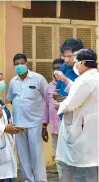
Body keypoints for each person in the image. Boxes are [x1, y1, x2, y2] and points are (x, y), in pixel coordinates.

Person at [54, 48, 98, 182]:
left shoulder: (85, 80)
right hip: (89, 129)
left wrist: (60, 106)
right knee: (89, 168)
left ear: (83, 62)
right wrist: (66, 81)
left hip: (83, 130)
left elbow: (71, 103)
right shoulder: (92, 77)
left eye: (77, 61)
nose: (75, 64)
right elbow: (79, 92)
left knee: (83, 168)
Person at [6, 53, 48, 182]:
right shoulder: (13, 82)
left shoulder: (38, 78)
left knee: (37, 155)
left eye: (21, 63)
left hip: (36, 122)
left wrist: (44, 124)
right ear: (13, 65)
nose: (19, 66)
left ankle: (40, 180)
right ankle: (28, 180)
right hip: (19, 124)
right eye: (16, 64)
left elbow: (47, 98)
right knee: (23, 155)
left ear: (26, 64)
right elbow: (11, 99)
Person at [42, 58, 64, 180]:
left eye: (59, 68)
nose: (56, 70)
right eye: (54, 68)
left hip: (67, 127)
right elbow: (46, 107)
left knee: (67, 155)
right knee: (58, 156)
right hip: (54, 128)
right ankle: (61, 177)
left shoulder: (69, 84)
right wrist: (44, 126)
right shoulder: (49, 87)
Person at [54, 38, 84, 117]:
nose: (66, 60)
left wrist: (67, 100)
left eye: (70, 56)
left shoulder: (86, 70)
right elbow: (58, 88)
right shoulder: (64, 67)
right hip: (64, 117)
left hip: (79, 118)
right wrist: (56, 94)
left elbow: (85, 96)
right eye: (64, 56)